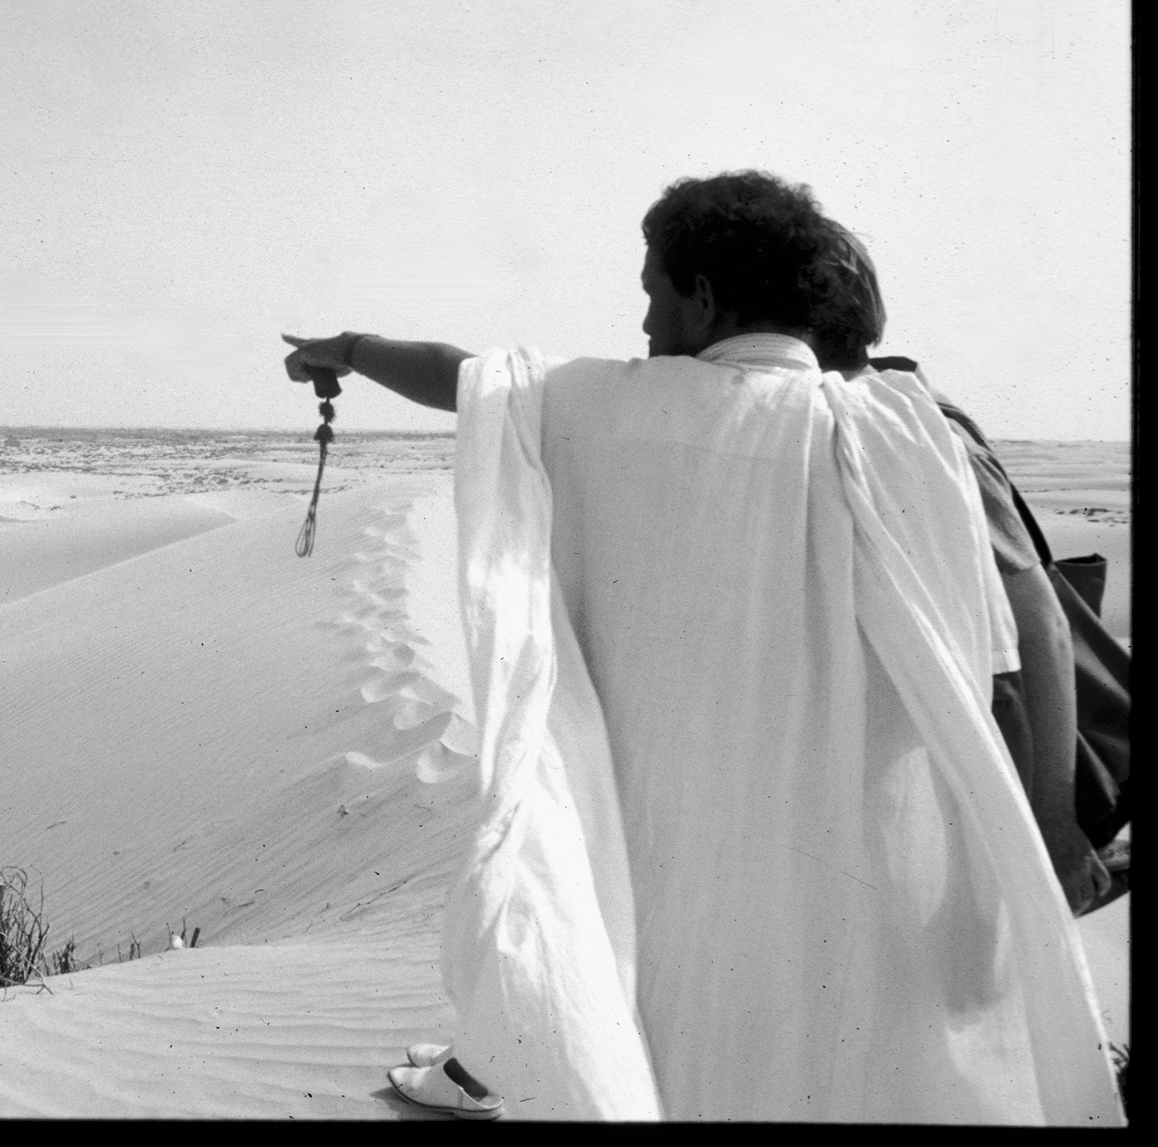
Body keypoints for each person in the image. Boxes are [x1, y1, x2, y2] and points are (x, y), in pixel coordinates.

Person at [283, 171, 1121, 1123]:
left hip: (684, 861)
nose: (645, 322)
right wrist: (1051, 824)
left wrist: (349, 351)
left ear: (705, 298)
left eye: (653, 293)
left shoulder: (620, 408)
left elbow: (464, 376)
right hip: (877, 851)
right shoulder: (907, 432)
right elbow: (1030, 628)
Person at [797, 241, 1113, 917]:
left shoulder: (917, 432)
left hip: (996, 773)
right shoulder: (853, 416)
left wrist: (1053, 820)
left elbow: (1041, 624)